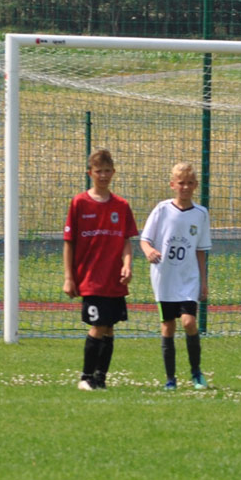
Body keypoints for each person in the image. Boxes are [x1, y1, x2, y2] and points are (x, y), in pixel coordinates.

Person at [62, 149, 138, 391]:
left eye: (107, 171)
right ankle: (85, 377)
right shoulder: (79, 203)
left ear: (113, 172)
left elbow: (127, 240)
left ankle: (100, 379)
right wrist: (68, 277)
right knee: (98, 326)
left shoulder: (121, 206)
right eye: (98, 171)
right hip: (91, 279)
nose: (103, 175)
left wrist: (127, 264)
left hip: (114, 280)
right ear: (90, 173)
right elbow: (69, 242)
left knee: (110, 328)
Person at [140, 162, 212, 390]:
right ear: (173, 185)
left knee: (189, 322)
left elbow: (200, 250)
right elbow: (144, 239)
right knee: (168, 326)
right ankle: (170, 379)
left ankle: (196, 373)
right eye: (181, 183)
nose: (185, 187)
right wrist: (149, 251)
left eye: (190, 183)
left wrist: (203, 281)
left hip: (188, 278)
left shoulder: (201, 214)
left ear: (195, 186)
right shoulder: (162, 210)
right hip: (165, 278)